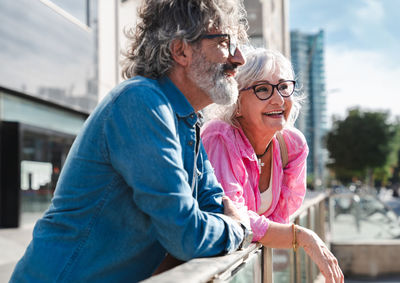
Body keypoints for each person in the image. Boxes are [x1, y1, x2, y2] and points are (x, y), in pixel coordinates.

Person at [10, 1, 253, 282]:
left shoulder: (187, 120)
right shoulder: (141, 102)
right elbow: (185, 233)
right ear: (181, 50)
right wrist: (238, 230)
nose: (239, 58)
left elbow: (212, 206)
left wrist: (226, 225)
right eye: (225, 42)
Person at [201, 48, 344, 283]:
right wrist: (303, 237)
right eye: (263, 89)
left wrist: (273, 231)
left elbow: (277, 222)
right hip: (204, 270)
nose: (278, 99)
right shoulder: (219, 137)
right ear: (237, 100)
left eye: (283, 87)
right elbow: (231, 218)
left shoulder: (292, 145)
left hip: (245, 267)